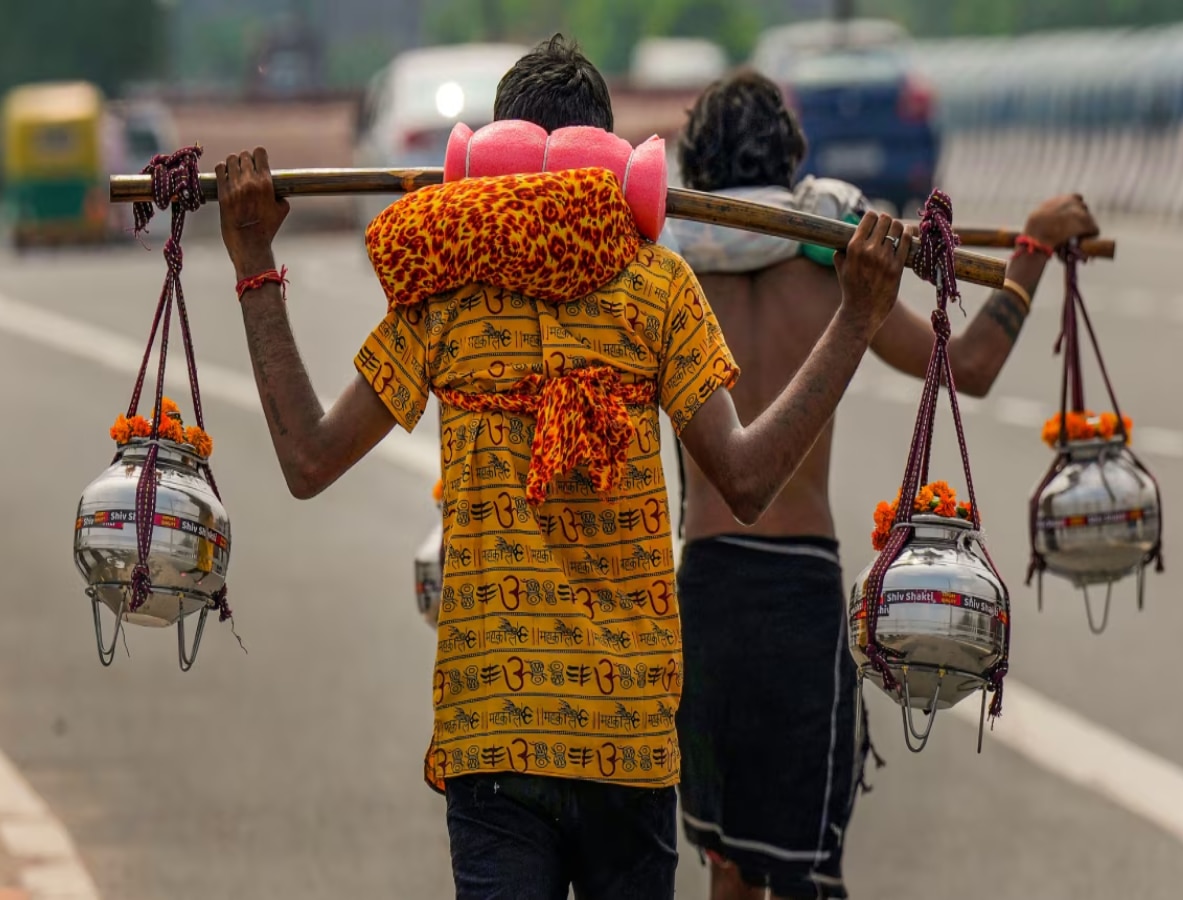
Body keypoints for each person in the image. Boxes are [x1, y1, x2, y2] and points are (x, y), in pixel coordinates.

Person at [214, 35, 912, 900]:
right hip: (626, 740)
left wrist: (253, 265)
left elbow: (309, 458)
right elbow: (747, 480)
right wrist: (856, 319)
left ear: (492, 161)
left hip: (493, 736)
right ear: (611, 164)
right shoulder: (656, 289)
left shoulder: (443, 293)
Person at [668, 68, 1101, 900]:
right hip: (797, 595)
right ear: (791, 159)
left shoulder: (667, 278)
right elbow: (969, 366)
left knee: (730, 864)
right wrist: (1033, 251)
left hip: (706, 596)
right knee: (803, 866)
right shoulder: (836, 266)